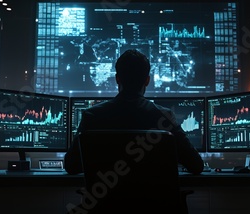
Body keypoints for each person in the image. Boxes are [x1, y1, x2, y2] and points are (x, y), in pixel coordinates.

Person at [64, 49, 204, 175]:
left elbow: (71, 166)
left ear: (117, 79)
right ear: (147, 81)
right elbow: (196, 166)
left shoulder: (92, 116)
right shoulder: (164, 117)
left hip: (108, 202)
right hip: (153, 203)